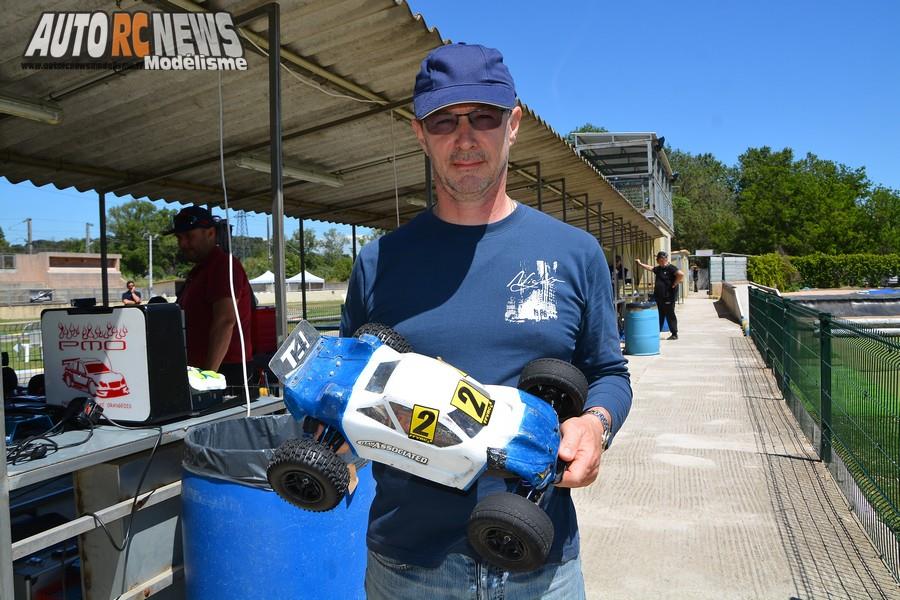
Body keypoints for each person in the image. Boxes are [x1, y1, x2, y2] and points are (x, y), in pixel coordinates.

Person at [340, 43, 632, 599]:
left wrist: (595, 424)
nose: (465, 137)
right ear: (418, 133)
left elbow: (609, 372)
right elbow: (352, 384)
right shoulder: (379, 262)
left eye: (483, 117)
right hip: (409, 568)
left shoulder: (574, 253)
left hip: (539, 560)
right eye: (444, 121)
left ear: (514, 124)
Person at [166, 206, 255, 394]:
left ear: (211, 233)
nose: (183, 243)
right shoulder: (200, 270)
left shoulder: (223, 265)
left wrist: (207, 376)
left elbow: (225, 320)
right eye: (179, 238)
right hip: (202, 369)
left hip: (224, 370)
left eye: (189, 236)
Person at [635, 251, 684, 340]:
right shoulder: (659, 269)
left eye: (660, 259)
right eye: (658, 260)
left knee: (670, 315)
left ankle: (674, 334)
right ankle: (656, 333)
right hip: (659, 297)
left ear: (664, 259)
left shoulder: (671, 268)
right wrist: (640, 264)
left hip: (668, 296)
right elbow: (650, 268)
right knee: (660, 315)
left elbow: (681, 274)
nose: (659, 261)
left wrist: (675, 283)